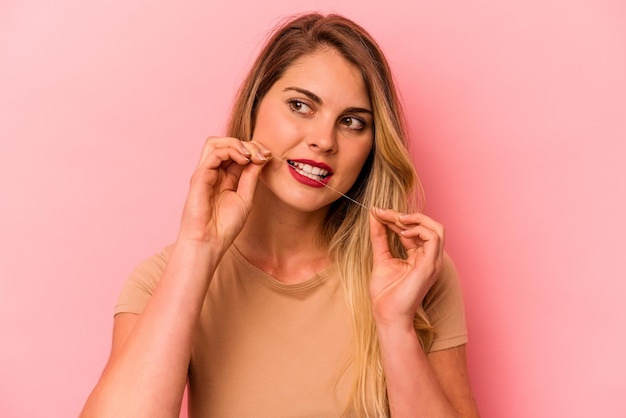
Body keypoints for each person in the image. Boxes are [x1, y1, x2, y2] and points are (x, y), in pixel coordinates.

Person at [81, 12, 480, 418]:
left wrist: (396, 326)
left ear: (373, 146)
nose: (323, 140)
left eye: (352, 122)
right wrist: (197, 250)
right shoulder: (162, 279)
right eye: (300, 105)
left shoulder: (414, 274)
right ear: (255, 107)